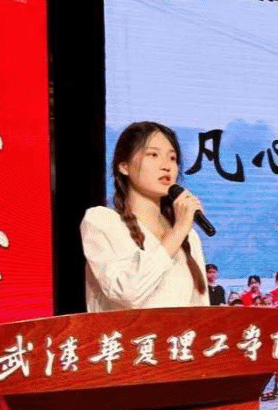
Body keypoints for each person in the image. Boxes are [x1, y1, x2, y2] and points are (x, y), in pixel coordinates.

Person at [82, 121, 208, 311]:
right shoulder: (102, 221)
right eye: (153, 155)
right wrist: (178, 231)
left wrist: (181, 230)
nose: (166, 166)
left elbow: (202, 310)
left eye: (172, 158)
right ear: (124, 166)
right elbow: (127, 292)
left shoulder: (189, 236)